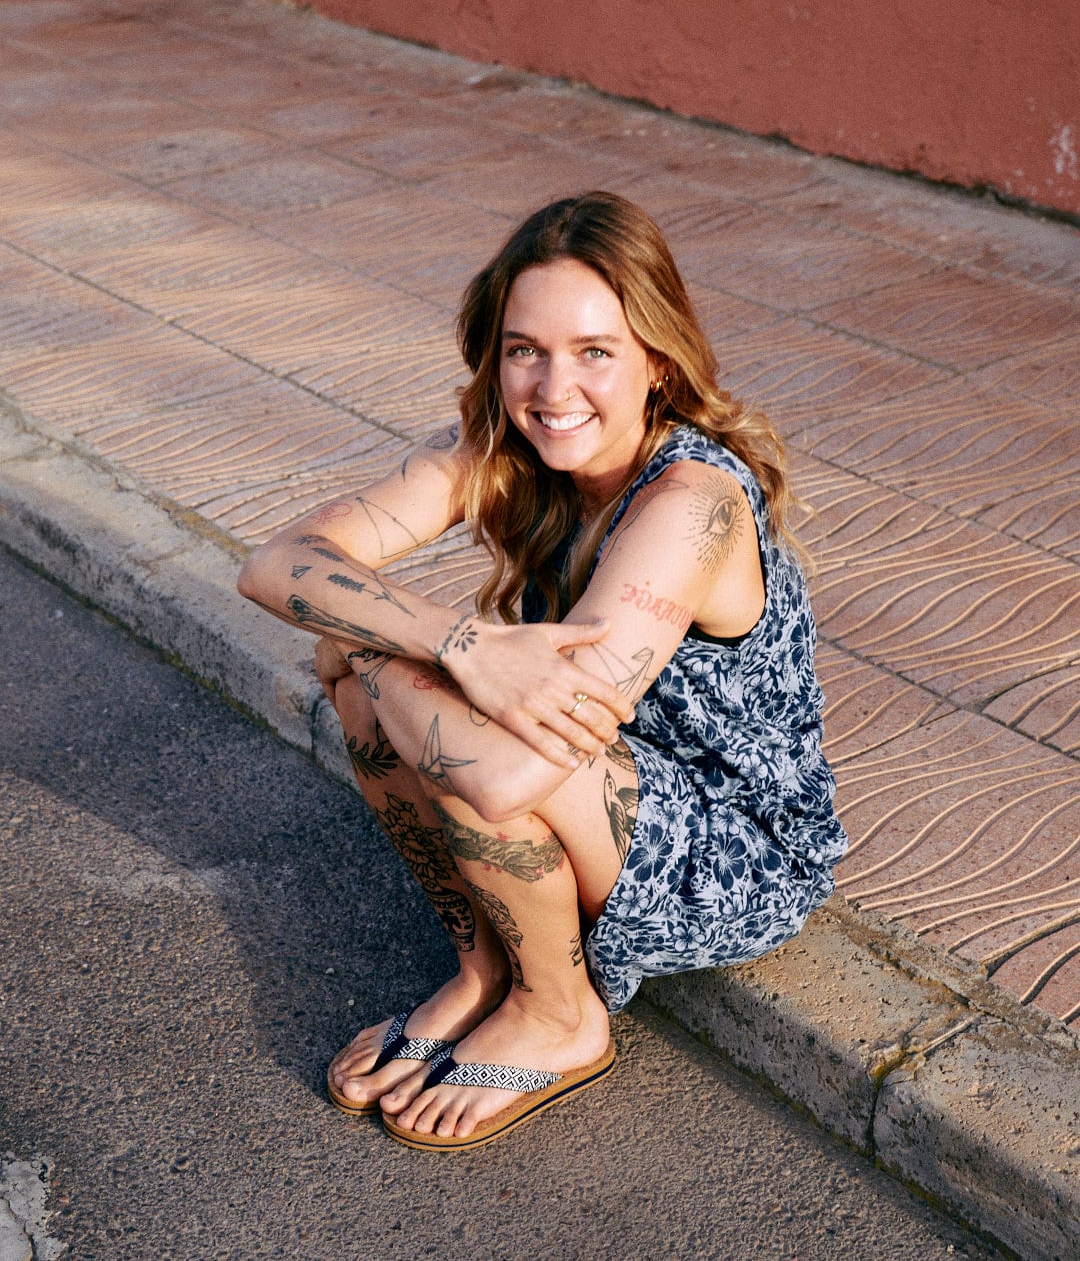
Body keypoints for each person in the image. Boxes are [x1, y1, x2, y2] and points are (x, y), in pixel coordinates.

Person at [236, 190, 846, 1151]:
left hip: (734, 850)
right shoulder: (505, 448)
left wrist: (377, 639)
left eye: (595, 352)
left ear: (658, 359)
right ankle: (486, 970)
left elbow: (506, 773)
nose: (554, 389)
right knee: (365, 672)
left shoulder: (692, 504)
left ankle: (560, 1015)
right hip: (605, 771)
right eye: (526, 349)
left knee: (371, 668)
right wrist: (459, 642)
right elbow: (273, 564)